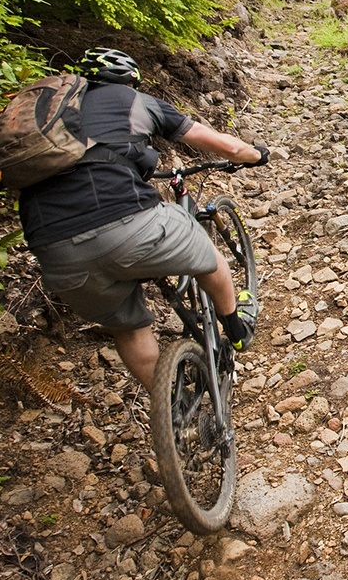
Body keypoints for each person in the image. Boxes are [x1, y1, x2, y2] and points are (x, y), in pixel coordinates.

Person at [19, 47, 268, 390]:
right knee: (211, 261)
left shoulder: (49, 118)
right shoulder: (133, 101)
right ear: (130, 79)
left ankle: (174, 410)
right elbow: (222, 146)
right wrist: (256, 154)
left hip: (54, 250)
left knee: (128, 327)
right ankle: (237, 330)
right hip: (126, 222)